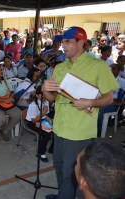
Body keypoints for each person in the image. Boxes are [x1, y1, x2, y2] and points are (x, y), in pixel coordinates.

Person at [42, 26, 118, 199]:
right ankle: (63, 194)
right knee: (60, 167)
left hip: (79, 132)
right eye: (62, 42)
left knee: (72, 173)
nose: (63, 46)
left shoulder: (98, 66)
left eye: (68, 42)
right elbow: (52, 98)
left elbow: (109, 98)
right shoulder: (60, 67)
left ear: (81, 42)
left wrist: (90, 102)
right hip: (59, 128)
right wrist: (45, 89)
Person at [26, 86, 53, 162]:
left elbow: (45, 115)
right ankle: (41, 153)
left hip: (42, 119)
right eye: (42, 95)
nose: (45, 97)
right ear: (37, 95)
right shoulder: (33, 105)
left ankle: (52, 149)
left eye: (46, 95)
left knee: (56, 130)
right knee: (46, 134)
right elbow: (34, 121)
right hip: (32, 122)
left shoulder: (46, 102)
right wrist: (43, 113)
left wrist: (50, 121)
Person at [97, 64, 125, 136]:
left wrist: (122, 102)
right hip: (103, 100)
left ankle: (98, 129)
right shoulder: (105, 79)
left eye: (114, 69)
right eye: (110, 68)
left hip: (113, 103)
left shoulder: (121, 81)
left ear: (119, 71)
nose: (111, 70)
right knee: (92, 105)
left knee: (101, 109)